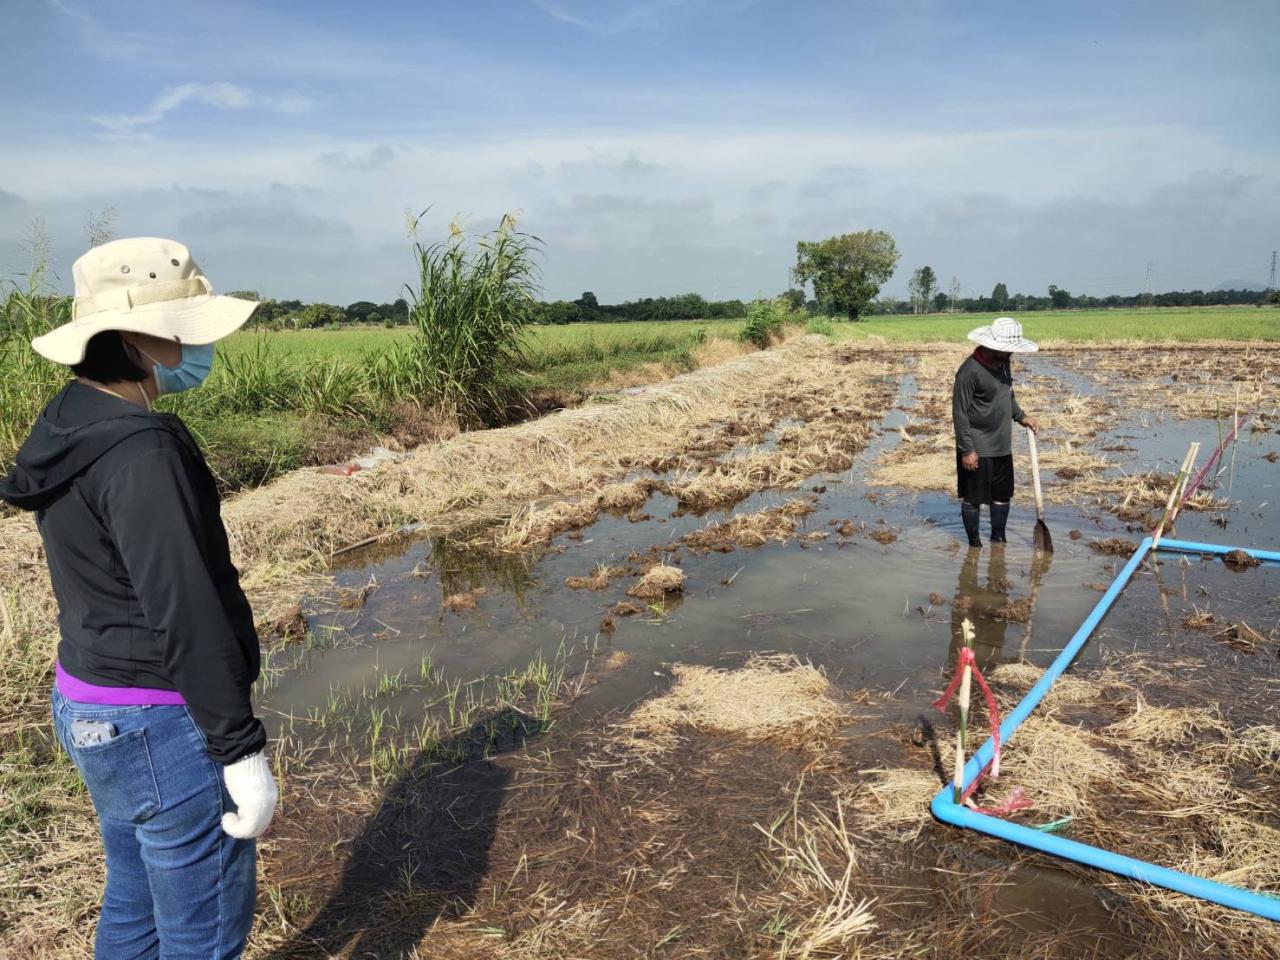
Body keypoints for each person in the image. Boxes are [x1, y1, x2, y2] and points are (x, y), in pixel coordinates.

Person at [0, 238, 277, 959]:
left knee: (134, 896)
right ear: (132, 341)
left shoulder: (69, 419)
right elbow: (186, 607)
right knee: (202, 931)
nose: (192, 343)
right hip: (159, 721)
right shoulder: (141, 453)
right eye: (178, 326)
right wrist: (239, 748)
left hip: (91, 701)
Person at [952, 317, 1040, 548]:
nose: (1012, 353)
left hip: (1002, 445)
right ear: (993, 346)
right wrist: (967, 450)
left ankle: (998, 540)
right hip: (977, 447)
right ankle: (974, 546)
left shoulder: (1003, 363)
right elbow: (959, 413)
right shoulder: (968, 372)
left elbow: (1007, 394)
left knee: (1002, 496)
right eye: (1008, 349)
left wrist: (1021, 416)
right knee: (973, 499)